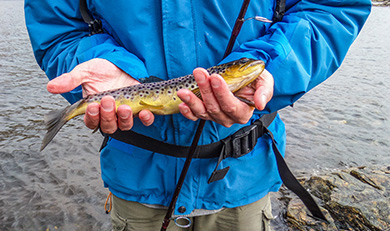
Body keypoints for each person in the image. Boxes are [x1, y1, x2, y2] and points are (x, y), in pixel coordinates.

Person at [25, 0, 371, 230]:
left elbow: (331, 7)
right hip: (136, 177)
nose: (247, 70)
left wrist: (275, 63)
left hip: (244, 176)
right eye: (242, 70)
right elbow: (58, 28)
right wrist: (107, 66)